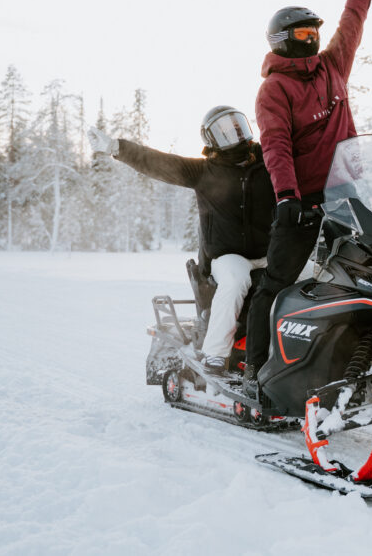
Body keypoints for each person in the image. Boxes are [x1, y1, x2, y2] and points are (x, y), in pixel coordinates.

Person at [244, 0, 372, 395]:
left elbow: (354, 19)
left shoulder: (333, 66)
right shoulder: (274, 90)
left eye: (315, 32)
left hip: (347, 196)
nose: (313, 39)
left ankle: (366, 361)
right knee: (278, 282)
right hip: (301, 203)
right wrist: (287, 197)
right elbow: (276, 145)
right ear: (283, 42)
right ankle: (256, 370)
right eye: (303, 34)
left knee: (370, 275)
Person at [87, 107, 275, 377]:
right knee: (236, 280)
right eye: (225, 129)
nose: (234, 132)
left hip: (270, 252)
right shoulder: (204, 171)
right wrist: (118, 147)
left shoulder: (269, 163)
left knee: (316, 273)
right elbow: (160, 162)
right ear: (212, 139)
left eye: (238, 125)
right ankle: (215, 355)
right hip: (227, 256)